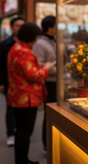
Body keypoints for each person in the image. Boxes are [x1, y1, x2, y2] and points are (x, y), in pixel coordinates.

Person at [7, 22, 56, 164]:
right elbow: (33, 75)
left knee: (21, 131)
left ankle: (22, 159)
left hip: (17, 96)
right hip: (26, 98)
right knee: (24, 132)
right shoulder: (25, 52)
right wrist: (47, 68)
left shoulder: (16, 48)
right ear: (31, 37)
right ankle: (22, 161)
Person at [32, 16, 56, 151]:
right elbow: (39, 64)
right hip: (48, 81)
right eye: (56, 25)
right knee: (49, 112)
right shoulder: (40, 43)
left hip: (56, 80)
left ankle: (53, 142)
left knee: (56, 111)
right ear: (50, 27)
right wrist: (53, 69)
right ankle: (46, 144)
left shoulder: (55, 40)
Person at [0, 16, 25, 146]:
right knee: (10, 109)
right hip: (9, 82)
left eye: (22, 26)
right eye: (17, 26)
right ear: (12, 27)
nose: (20, 28)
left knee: (23, 110)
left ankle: (21, 133)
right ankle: (11, 133)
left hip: (25, 83)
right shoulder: (4, 44)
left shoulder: (28, 44)